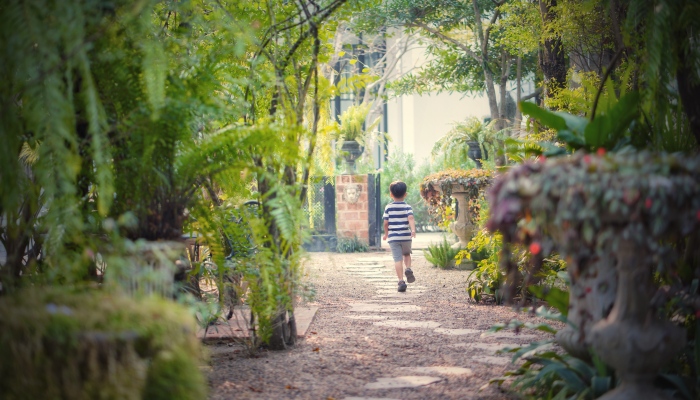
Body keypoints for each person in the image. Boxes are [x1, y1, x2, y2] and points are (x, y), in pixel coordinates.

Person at [382, 181, 416, 292]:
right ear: (405, 194)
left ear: (391, 195)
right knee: (406, 254)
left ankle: (401, 281)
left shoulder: (388, 207)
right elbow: (410, 218)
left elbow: (386, 223)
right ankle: (409, 268)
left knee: (398, 259)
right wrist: (413, 230)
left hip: (393, 237)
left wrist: (386, 234)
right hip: (406, 236)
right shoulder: (407, 207)